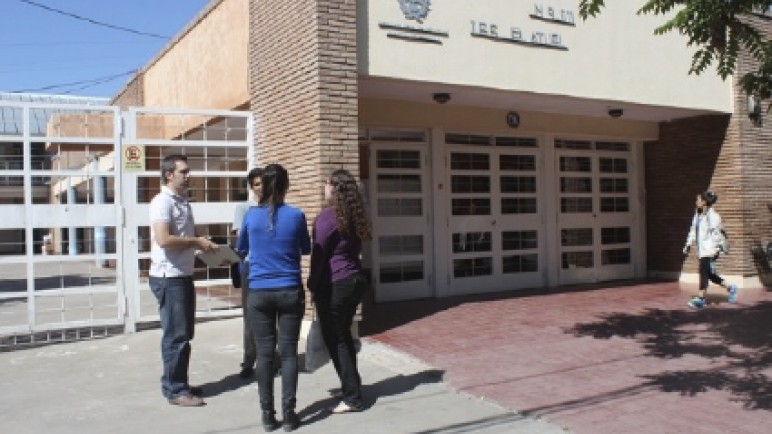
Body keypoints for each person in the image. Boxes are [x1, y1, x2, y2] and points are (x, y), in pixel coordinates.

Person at [236, 163, 310, 432]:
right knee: (289, 354)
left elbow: (241, 248)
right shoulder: (296, 215)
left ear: (263, 187)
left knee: (265, 355)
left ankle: (268, 416)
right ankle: (289, 416)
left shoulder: (251, 217)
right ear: (286, 186)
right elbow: (305, 247)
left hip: (259, 292)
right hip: (289, 289)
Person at [148, 154, 219, 407]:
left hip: (183, 275)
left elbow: (190, 235)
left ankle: (178, 382)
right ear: (169, 175)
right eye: (184, 172)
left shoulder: (183, 201)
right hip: (169, 277)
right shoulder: (161, 202)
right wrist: (195, 242)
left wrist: (206, 246)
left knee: (184, 333)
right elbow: (164, 239)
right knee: (176, 336)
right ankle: (175, 390)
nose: (189, 175)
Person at [308, 169, 372, 414]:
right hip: (355, 279)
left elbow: (320, 255)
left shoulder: (328, 217)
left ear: (334, 188)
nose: (323, 187)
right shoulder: (354, 215)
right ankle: (352, 386)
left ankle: (353, 396)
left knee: (337, 340)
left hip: (337, 283)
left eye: (326, 183)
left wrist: (313, 284)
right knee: (342, 336)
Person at [232, 167, 263, 378]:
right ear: (251, 187)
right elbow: (239, 238)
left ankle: (272, 358)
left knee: (272, 315)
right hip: (251, 266)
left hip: (270, 267)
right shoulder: (244, 208)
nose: (261, 188)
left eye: (264, 183)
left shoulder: (276, 208)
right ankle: (249, 360)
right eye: (257, 184)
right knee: (250, 316)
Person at [683, 190, 738, 309]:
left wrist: (714, 250)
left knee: (703, 273)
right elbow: (693, 230)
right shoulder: (697, 215)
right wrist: (688, 244)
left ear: (704, 202)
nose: (696, 202)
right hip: (702, 250)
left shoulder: (713, 216)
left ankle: (701, 299)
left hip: (709, 251)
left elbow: (716, 235)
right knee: (710, 275)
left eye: (698, 200)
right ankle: (730, 288)